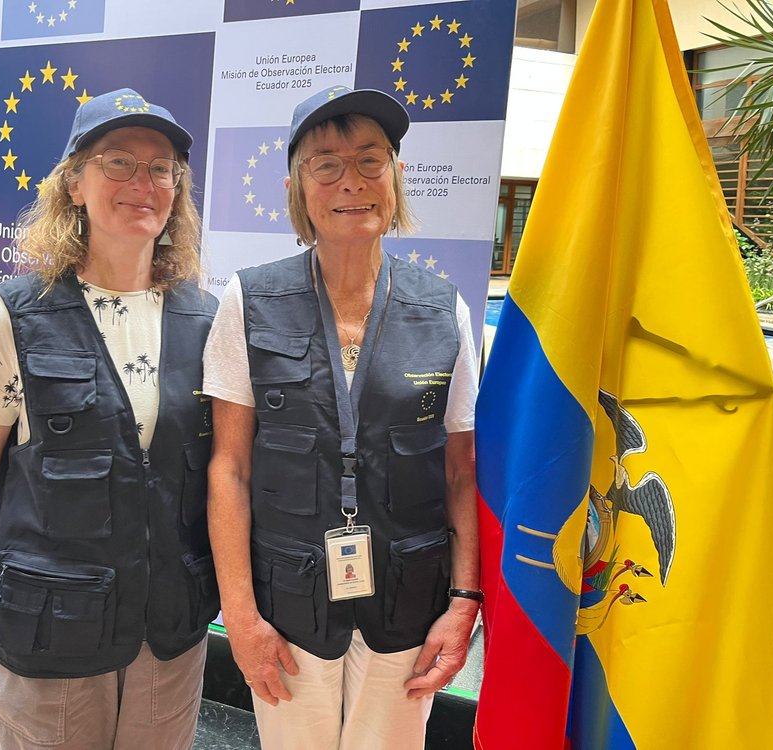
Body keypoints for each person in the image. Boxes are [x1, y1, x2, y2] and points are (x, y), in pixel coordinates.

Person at [203, 86, 481, 749]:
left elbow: (462, 473)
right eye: (326, 163)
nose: (351, 181)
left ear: (397, 176)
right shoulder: (250, 299)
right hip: (289, 605)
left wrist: (464, 603)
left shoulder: (445, 309)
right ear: (297, 186)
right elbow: (229, 468)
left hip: (408, 603)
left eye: (369, 159)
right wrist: (239, 617)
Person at [0, 88, 219, 750]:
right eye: (118, 162)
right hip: (50, 632)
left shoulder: (209, 321)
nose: (142, 183)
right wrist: (48, 553)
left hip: (167, 635)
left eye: (160, 168)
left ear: (177, 189)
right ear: (75, 183)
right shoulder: (14, 315)